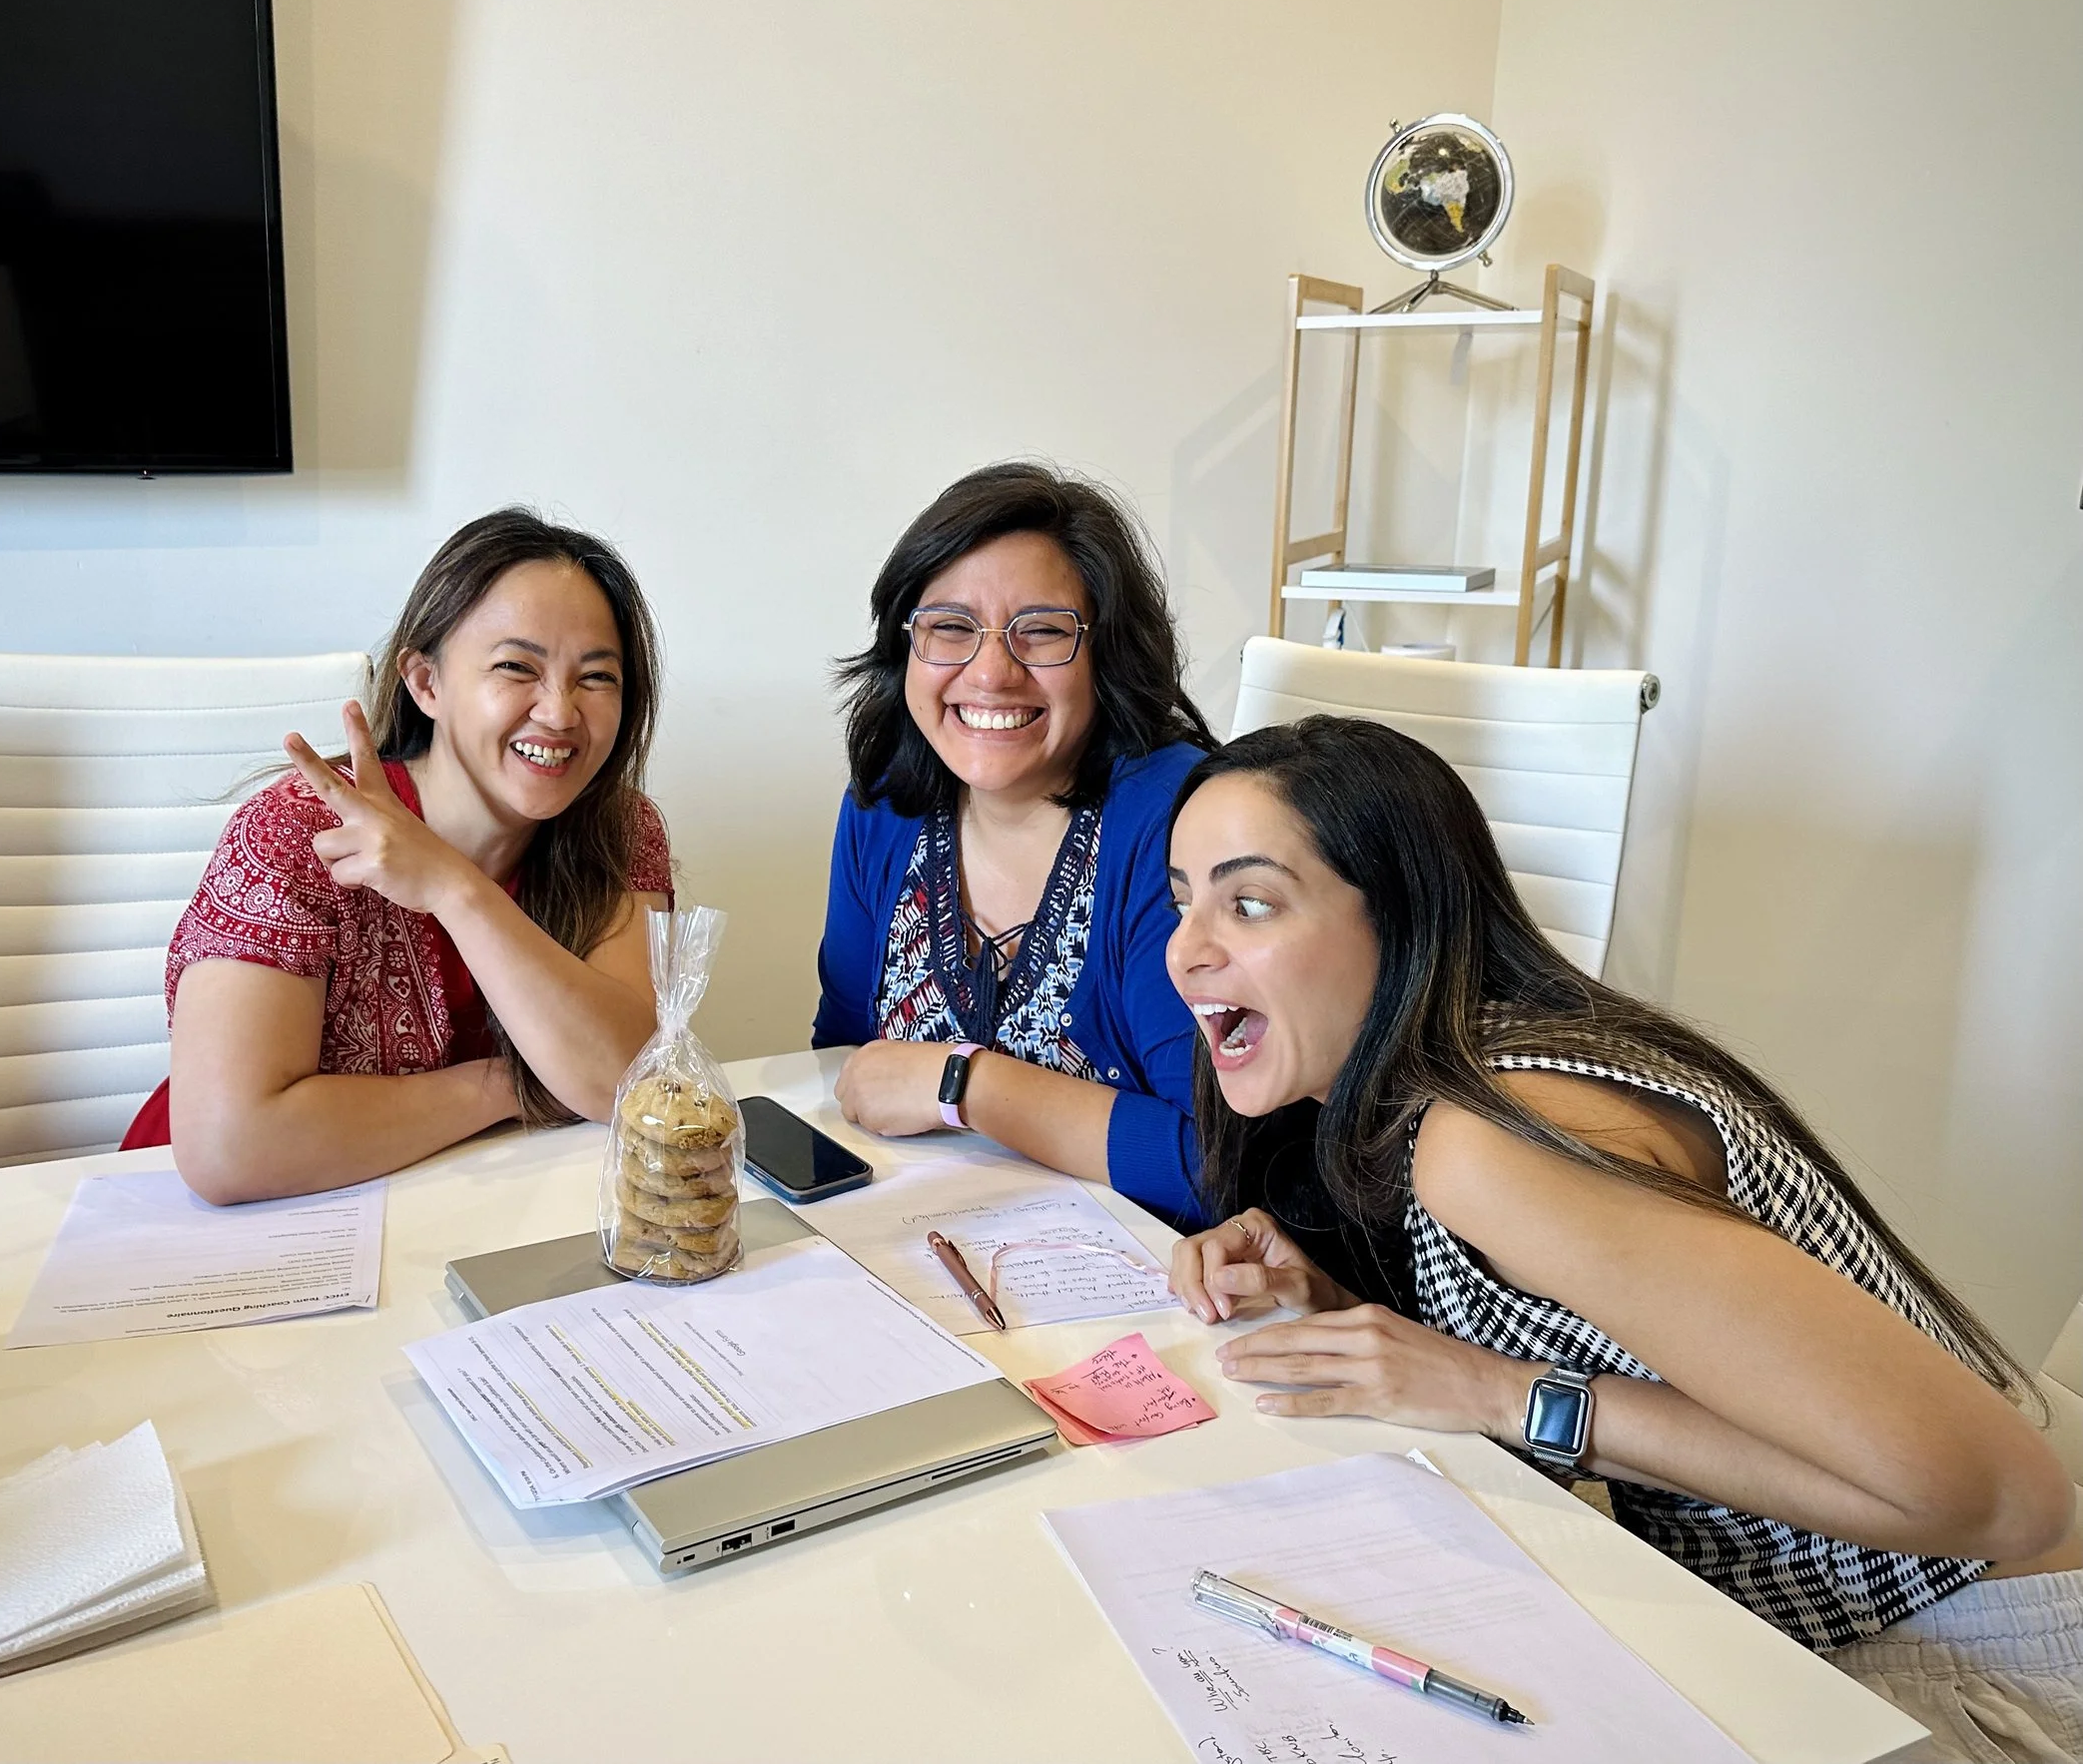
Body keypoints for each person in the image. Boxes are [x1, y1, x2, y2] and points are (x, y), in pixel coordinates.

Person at [1163, 715, 2080, 1758]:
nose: (1186, 950)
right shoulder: (1465, 1084)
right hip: (1829, 1643)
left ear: (1402, 917)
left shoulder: (1493, 1140)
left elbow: (2005, 1500)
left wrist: (1490, 1387)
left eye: (1248, 903)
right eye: (1181, 900)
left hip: (1978, 1663)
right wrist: (1355, 1322)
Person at [129, 510, 674, 1204]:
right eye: (517, 667)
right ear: (426, 682)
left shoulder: (619, 831)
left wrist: (454, 888)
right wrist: (515, 1083)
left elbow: (625, 1078)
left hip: (455, 1201)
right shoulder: (298, 832)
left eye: (597, 678)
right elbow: (230, 1146)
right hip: (232, 1230)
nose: (561, 713)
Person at [814, 462, 1217, 1223]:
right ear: (906, 648)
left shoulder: (1175, 823)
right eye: (951, 629)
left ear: (1107, 655)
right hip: (923, 1253)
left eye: (1041, 632)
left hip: (1147, 1281)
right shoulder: (885, 805)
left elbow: (1216, 1161)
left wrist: (964, 1084)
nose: (992, 673)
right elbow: (845, 1059)